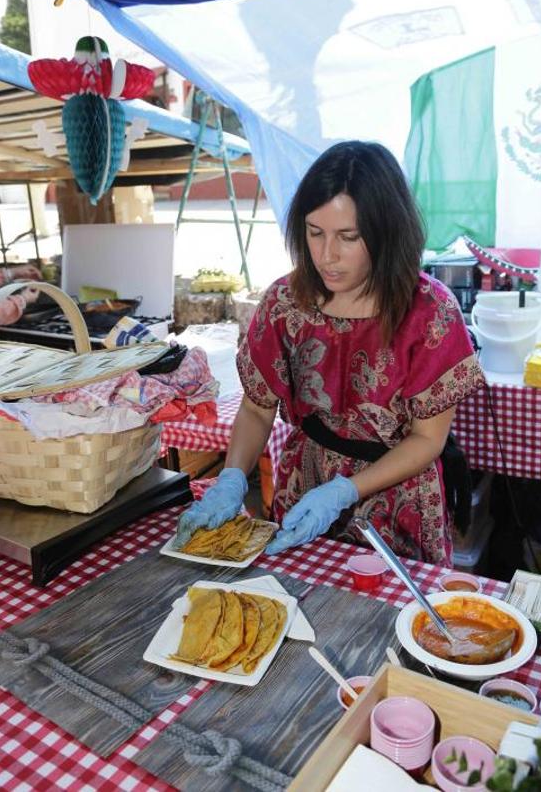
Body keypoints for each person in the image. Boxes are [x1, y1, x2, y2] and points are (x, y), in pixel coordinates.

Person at [174, 141, 485, 565]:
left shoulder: (430, 313)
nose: (326, 256)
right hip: (305, 483)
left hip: (397, 495)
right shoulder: (286, 301)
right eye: (314, 232)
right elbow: (257, 409)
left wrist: (346, 490)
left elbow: (427, 439)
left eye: (348, 237)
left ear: (385, 231)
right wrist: (231, 476)